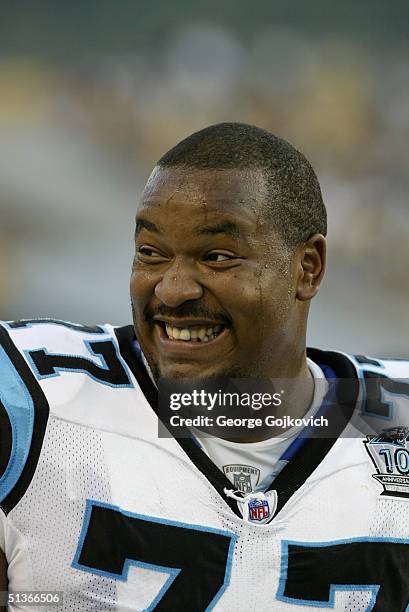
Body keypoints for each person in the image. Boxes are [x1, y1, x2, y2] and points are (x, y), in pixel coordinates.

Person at [0, 122, 408, 611]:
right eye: (151, 253)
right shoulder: (27, 399)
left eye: (216, 257)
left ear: (308, 267)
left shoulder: (394, 422)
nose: (171, 290)